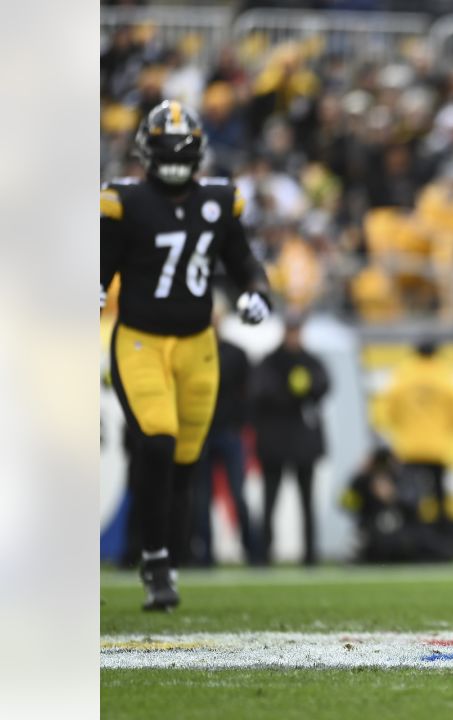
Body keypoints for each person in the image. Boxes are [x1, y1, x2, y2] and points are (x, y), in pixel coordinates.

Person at [101, 100, 272, 611]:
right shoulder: (124, 201)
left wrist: (258, 293)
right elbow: (101, 263)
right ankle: (154, 560)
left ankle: (168, 558)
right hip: (140, 341)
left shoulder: (220, 200)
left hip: (199, 345)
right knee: (155, 440)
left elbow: (244, 262)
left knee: (184, 462)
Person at [251, 313, 330, 565]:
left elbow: (324, 385)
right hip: (275, 441)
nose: (294, 336)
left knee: (306, 501)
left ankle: (310, 555)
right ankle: (264, 553)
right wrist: (292, 391)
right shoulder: (271, 361)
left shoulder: (310, 360)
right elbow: (261, 393)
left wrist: (304, 388)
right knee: (270, 500)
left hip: (302, 442)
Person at [190, 310, 258, 566]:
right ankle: (204, 555)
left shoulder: (235, 353)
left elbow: (248, 392)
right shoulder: (192, 352)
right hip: (201, 431)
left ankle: (254, 552)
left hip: (228, 431)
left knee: (238, 495)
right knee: (200, 499)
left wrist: (241, 424)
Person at [378, 340, 453, 532]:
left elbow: (391, 410)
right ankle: (442, 540)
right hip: (437, 448)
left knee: (410, 499)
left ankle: (412, 539)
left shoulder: (403, 373)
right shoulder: (445, 373)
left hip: (411, 448)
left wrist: (405, 427)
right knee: (439, 499)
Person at [341, 447, 449, 563]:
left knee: (430, 543)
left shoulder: (404, 479)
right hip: (373, 534)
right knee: (358, 542)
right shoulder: (363, 481)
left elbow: (416, 510)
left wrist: (392, 496)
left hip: (403, 535)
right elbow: (346, 504)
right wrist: (359, 474)